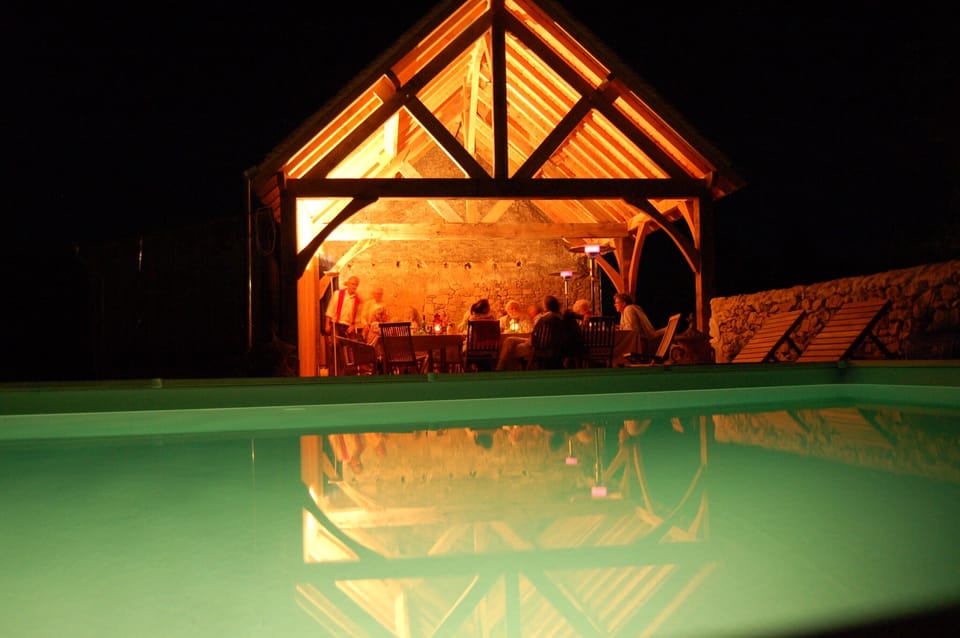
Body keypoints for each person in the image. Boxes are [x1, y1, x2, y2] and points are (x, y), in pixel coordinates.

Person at [496, 295, 563, 370]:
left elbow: (534, 332)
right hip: (536, 342)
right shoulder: (560, 317)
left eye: (516, 308)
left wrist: (529, 341)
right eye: (511, 308)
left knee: (507, 349)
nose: (514, 310)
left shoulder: (543, 319)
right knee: (509, 340)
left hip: (535, 345)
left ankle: (500, 368)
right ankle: (501, 367)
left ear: (545, 306)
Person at [612, 292, 658, 364]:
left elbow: (631, 330)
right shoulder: (625, 311)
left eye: (617, 303)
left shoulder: (628, 309)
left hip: (640, 343)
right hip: (639, 341)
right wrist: (619, 327)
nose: (615, 305)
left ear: (624, 303)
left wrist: (619, 328)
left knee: (615, 349)